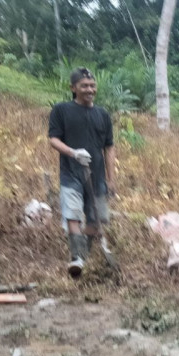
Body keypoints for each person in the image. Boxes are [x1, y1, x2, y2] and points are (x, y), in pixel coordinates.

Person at [48, 67, 116, 278]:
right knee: (73, 215)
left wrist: (111, 178)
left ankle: (82, 255)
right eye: (84, 86)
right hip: (71, 173)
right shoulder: (61, 110)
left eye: (92, 86)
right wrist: (73, 152)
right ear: (73, 88)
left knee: (98, 221)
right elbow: (53, 139)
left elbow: (109, 148)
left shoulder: (102, 114)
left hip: (97, 177)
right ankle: (76, 258)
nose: (89, 89)